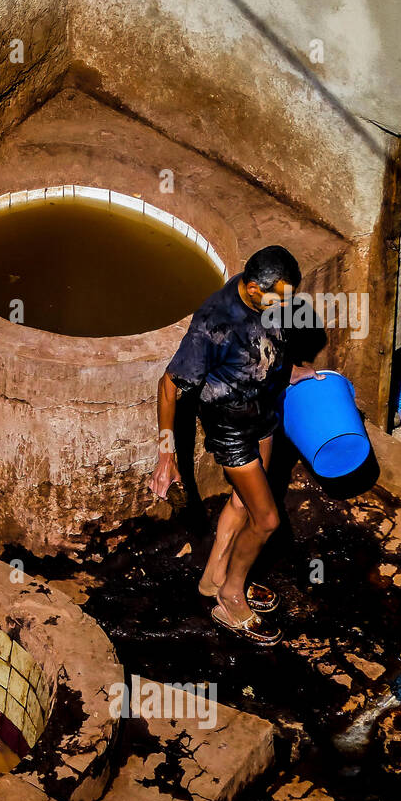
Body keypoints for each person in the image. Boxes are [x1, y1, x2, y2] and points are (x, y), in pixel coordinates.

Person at [149, 245, 316, 646]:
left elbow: (266, 345)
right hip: (231, 430)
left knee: (243, 503)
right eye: (281, 298)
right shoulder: (213, 324)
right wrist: (166, 455)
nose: (287, 306)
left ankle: (213, 579)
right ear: (254, 289)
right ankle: (230, 597)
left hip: (262, 417)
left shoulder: (267, 304)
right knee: (267, 520)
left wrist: (290, 371)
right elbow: (169, 387)